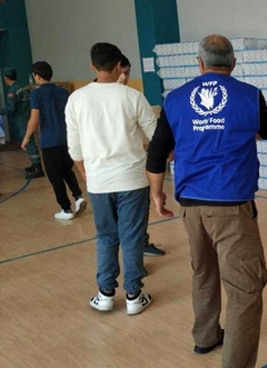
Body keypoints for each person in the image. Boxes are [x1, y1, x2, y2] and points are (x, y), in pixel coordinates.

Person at [146, 34, 267, 368]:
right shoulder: (250, 96)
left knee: (203, 271)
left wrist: (157, 194)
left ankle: (205, 337)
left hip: (191, 206)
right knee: (246, 288)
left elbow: (157, 152)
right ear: (233, 64)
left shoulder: (174, 100)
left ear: (199, 64)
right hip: (232, 207)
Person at [65, 42, 156, 315]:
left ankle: (105, 294)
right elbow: (155, 136)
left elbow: (74, 149)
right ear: (119, 66)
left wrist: (87, 175)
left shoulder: (77, 99)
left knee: (106, 237)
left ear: (92, 66)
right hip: (132, 181)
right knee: (132, 237)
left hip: (98, 183)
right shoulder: (132, 97)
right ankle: (133, 296)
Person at [21, 61, 86, 220]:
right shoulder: (63, 92)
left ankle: (66, 209)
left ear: (36, 75)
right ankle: (78, 196)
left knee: (55, 176)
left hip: (49, 141)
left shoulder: (36, 94)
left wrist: (26, 137)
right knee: (66, 170)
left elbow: (34, 119)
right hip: (66, 138)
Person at [117, 54, 165, 258]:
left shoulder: (133, 97)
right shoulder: (83, 98)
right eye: (120, 73)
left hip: (132, 168)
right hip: (104, 173)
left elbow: (153, 131)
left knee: (137, 215)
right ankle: (125, 278)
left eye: (127, 73)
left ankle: (141, 246)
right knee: (112, 230)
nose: (124, 78)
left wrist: (164, 150)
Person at [1, 67, 44, 178]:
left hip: (21, 120)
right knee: (31, 141)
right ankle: (34, 164)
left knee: (29, 143)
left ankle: (38, 168)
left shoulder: (12, 92)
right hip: (29, 116)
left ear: (6, 78)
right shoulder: (24, 87)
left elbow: (11, 109)